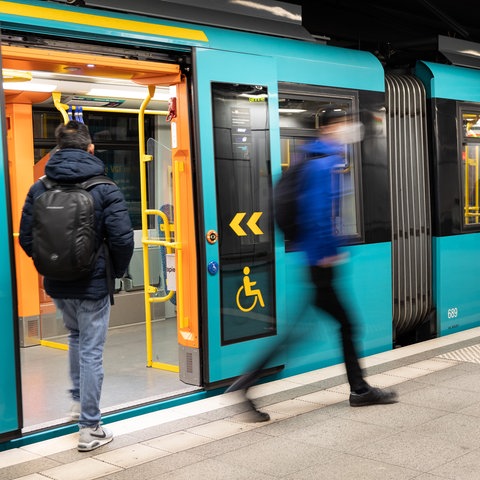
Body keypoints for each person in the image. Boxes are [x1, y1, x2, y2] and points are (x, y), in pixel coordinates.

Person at [227, 108, 397, 421]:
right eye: (347, 123)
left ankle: (357, 389)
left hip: (314, 259)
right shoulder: (324, 162)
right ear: (334, 127)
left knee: (321, 327)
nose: (351, 129)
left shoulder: (311, 157)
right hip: (320, 262)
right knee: (338, 326)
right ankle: (357, 390)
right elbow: (318, 212)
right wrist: (327, 252)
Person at [19, 120, 134, 451]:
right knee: (91, 349)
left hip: (57, 283)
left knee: (75, 337)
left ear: (56, 149)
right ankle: (90, 427)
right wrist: (116, 271)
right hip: (93, 284)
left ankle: (75, 402)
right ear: (90, 148)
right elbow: (123, 239)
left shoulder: (39, 187)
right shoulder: (105, 187)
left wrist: (52, 265)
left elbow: (28, 237)